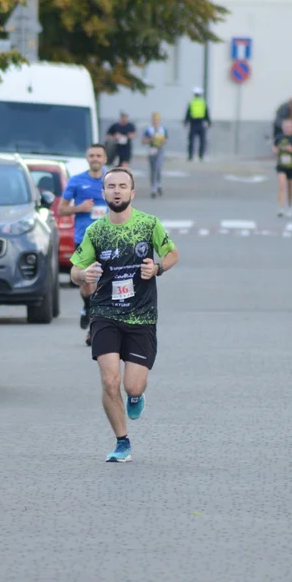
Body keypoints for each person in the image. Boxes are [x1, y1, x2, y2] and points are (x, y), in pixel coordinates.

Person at [69, 167, 179, 463]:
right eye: (111, 186)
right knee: (108, 380)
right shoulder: (96, 231)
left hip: (141, 316)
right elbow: (74, 270)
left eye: (122, 186)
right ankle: (122, 442)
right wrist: (84, 274)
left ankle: (135, 395)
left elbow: (172, 253)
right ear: (103, 193)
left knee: (132, 384)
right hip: (105, 313)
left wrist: (157, 268)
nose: (116, 191)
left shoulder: (148, 224)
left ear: (132, 193)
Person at [59, 144, 109, 343]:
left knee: (101, 284)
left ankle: (93, 328)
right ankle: (88, 307)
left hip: (108, 239)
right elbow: (62, 210)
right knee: (87, 282)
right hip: (84, 239)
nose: (95, 158)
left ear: (105, 159)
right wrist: (80, 208)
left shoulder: (111, 182)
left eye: (99, 155)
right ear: (87, 158)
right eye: (91, 155)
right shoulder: (77, 181)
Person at [273, 118, 292, 217]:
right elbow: (274, 146)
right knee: (281, 185)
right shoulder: (279, 138)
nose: (287, 129)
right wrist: (275, 150)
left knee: (290, 187)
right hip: (281, 166)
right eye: (285, 127)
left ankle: (290, 206)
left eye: (289, 127)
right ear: (282, 128)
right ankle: (281, 208)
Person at [142, 112, 168, 198]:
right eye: (154, 119)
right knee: (153, 169)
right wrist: (151, 139)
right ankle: (153, 187)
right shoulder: (149, 130)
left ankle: (158, 184)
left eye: (157, 119)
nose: (155, 121)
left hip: (159, 149)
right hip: (151, 149)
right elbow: (143, 141)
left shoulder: (162, 129)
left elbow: (166, 139)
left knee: (158, 167)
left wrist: (161, 140)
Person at [183, 87, 211, 161]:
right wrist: (209, 122)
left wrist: (185, 122)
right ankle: (201, 156)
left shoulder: (191, 102)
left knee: (191, 140)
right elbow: (206, 113)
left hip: (193, 124)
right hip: (201, 123)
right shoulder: (203, 102)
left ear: (194, 94)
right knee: (202, 141)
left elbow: (188, 113)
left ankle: (190, 156)